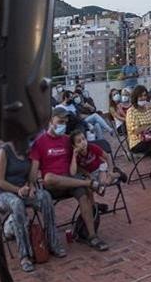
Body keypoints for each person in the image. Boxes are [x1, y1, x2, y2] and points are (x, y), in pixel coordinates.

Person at [29, 107, 108, 251]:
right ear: (50, 121)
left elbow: (76, 163)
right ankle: (87, 183)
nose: (63, 125)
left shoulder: (67, 140)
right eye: (60, 121)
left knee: (83, 195)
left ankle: (92, 236)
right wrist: (31, 184)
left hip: (71, 180)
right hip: (53, 185)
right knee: (48, 178)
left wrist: (92, 171)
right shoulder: (40, 143)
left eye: (65, 122)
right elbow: (34, 169)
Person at [0, 140, 65, 272]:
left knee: (45, 197)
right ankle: (25, 255)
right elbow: (0, 181)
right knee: (17, 204)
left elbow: (31, 177)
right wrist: (18, 190)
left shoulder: (28, 150)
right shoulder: (4, 151)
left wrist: (31, 187)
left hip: (24, 189)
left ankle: (53, 243)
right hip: (4, 193)